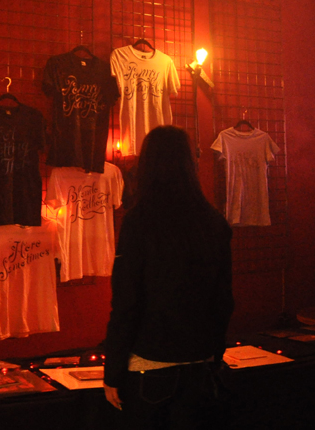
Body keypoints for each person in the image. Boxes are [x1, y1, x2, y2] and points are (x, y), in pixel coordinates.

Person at [103, 125, 234, 429]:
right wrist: (215, 354)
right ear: (189, 163)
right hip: (200, 362)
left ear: (147, 165)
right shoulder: (212, 221)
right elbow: (223, 299)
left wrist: (113, 371)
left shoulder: (139, 221)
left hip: (150, 363)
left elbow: (126, 302)